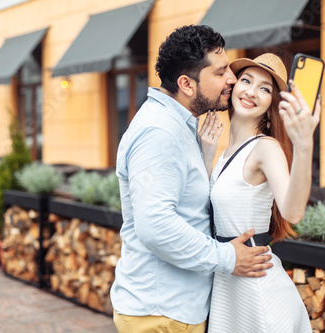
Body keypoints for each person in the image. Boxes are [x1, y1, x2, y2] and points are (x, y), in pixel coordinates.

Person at [110, 25, 273, 333]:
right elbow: (156, 226)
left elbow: (186, 206)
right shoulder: (159, 133)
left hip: (173, 311)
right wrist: (227, 257)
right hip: (162, 315)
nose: (232, 80)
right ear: (186, 83)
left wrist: (206, 156)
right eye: (220, 72)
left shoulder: (178, 125)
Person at [199, 53, 320, 332]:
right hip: (230, 281)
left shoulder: (266, 148)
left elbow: (292, 211)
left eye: (265, 88)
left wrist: (304, 146)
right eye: (246, 80)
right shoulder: (225, 153)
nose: (251, 92)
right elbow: (206, 210)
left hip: (257, 288)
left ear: (271, 105)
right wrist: (207, 154)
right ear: (234, 87)